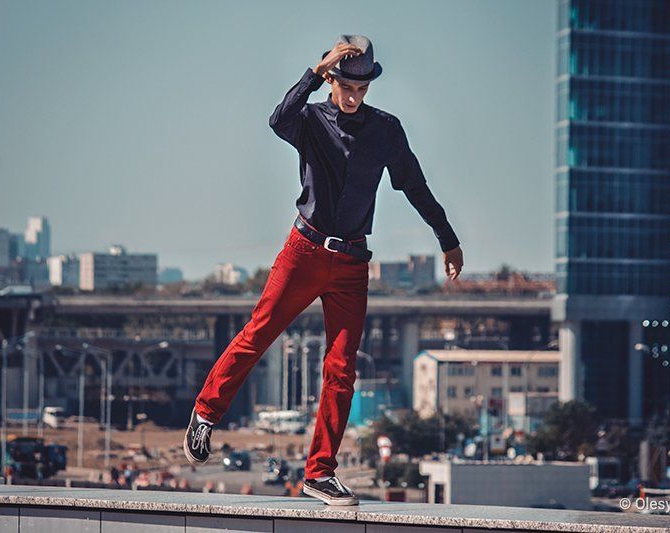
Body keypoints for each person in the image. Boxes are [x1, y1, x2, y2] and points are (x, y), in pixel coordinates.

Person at [183, 34, 463, 506]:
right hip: (304, 251)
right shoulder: (310, 119)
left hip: (353, 262)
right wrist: (314, 70)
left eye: (362, 88)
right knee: (258, 333)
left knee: (342, 368)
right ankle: (205, 414)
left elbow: (415, 185)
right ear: (332, 80)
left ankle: (320, 472)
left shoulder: (387, 130)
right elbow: (278, 119)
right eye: (346, 85)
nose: (354, 96)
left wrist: (447, 238)